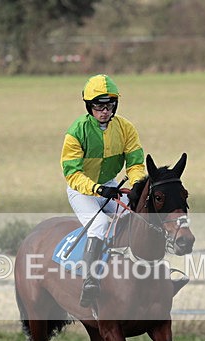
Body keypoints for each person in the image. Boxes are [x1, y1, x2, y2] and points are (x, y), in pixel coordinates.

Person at [61, 74, 147, 307]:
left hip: (110, 185)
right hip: (82, 190)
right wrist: (96, 188)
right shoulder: (76, 132)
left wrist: (137, 183)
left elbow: (136, 163)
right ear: (89, 106)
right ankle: (90, 280)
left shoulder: (125, 128)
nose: (105, 111)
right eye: (99, 106)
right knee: (99, 225)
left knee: (134, 218)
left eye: (109, 105)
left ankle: (141, 273)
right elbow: (72, 173)